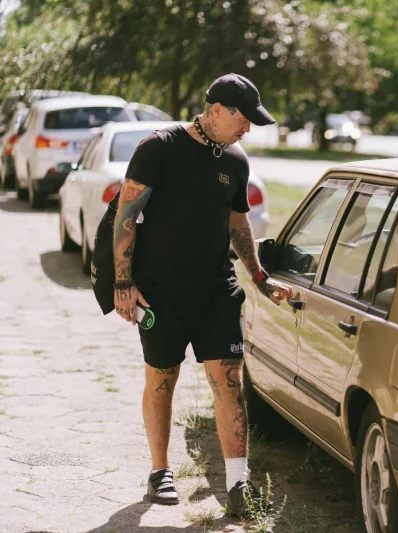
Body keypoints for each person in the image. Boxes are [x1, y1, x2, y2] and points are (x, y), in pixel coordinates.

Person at [111, 73, 293, 514]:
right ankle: (160, 471)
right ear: (215, 110)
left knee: (230, 383)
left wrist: (259, 276)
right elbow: (126, 215)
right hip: (161, 293)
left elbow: (238, 224)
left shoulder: (235, 160)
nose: (247, 128)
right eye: (242, 119)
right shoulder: (159, 148)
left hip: (216, 289)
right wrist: (123, 283)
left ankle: (238, 483)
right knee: (161, 381)